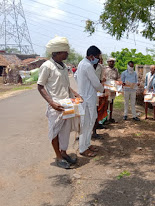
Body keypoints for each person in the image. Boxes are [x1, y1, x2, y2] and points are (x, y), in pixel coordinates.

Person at [37, 36, 82, 169]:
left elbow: (64, 85)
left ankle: (64, 153)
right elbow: (40, 86)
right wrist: (51, 103)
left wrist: (75, 93)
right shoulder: (47, 66)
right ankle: (58, 156)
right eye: (65, 51)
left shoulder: (63, 67)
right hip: (55, 106)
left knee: (65, 131)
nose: (67, 53)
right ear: (57, 52)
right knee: (55, 131)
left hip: (67, 104)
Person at [76, 46, 104, 157]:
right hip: (86, 99)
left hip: (88, 97)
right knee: (86, 124)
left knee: (91, 121)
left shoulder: (82, 64)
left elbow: (76, 77)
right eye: (97, 57)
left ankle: (87, 144)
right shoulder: (87, 65)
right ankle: (82, 148)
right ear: (91, 56)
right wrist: (103, 89)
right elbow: (96, 83)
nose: (98, 59)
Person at [92, 55, 107, 139]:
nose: (99, 60)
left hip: (97, 91)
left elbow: (101, 80)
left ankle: (94, 131)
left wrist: (101, 89)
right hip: (87, 92)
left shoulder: (101, 67)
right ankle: (82, 133)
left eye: (100, 59)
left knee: (96, 112)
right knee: (85, 114)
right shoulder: (87, 65)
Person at [103, 57, 120, 123]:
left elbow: (117, 78)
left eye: (113, 61)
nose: (112, 63)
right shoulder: (105, 69)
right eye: (110, 61)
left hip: (113, 88)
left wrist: (118, 82)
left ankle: (110, 117)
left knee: (112, 103)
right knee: (106, 103)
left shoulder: (116, 70)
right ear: (108, 62)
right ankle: (105, 118)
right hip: (107, 88)